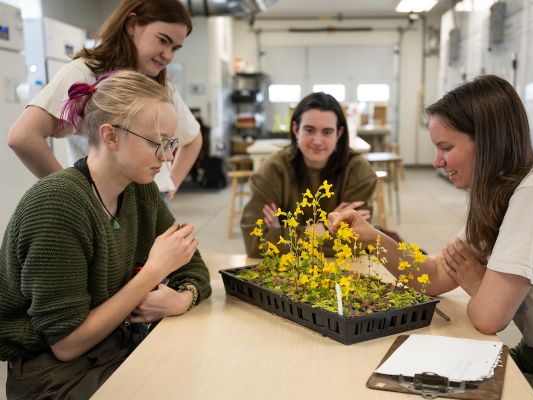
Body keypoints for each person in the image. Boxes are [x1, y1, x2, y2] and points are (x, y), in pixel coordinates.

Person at [328, 75, 533, 400]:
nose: (437, 162)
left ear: (488, 141)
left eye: (446, 147)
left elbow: (488, 318)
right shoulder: (503, 195)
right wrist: (371, 237)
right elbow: (433, 275)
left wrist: (476, 282)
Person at [0, 70, 211, 399]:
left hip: (117, 345)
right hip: (55, 376)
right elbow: (67, 344)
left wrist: (182, 298)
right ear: (110, 136)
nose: (168, 156)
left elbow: (192, 266)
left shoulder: (140, 191)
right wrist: (153, 272)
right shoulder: (57, 205)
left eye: (171, 144)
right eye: (157, 143)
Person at [7, 0, 202, 200]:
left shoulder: (160, 85)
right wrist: (75, 195)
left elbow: (193, 138)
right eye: (163, 40)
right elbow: (23, 137)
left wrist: (171, 185)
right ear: (132, 25)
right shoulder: (86, 72)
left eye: (175, 48)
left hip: (153, 199)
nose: (168, 55)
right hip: (105, 201)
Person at [241, 92, 377, 257]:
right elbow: (255, 243)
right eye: (309, 130)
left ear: (339, 134)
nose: (317, 141)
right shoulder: (271, 171)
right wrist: (327, 228)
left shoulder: (359, 171)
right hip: (285, 275)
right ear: (296, 129)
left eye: (327, 132)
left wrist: (281, 235)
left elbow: (356, 244)